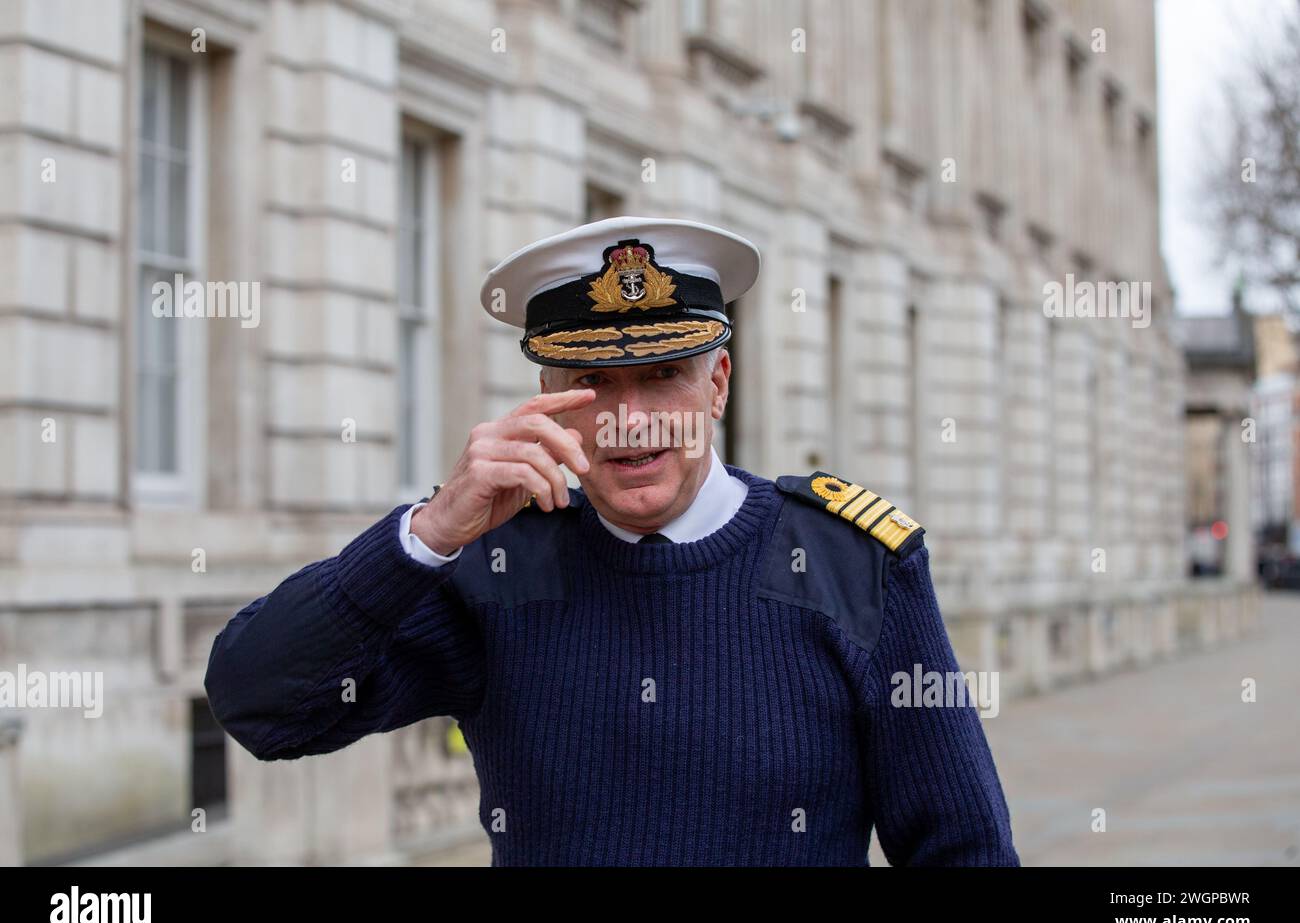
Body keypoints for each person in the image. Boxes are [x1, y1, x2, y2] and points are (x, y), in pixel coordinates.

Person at [205, 216, 1020, 866]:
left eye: (664, 374)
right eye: (593, 384)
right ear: (546, 396)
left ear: (718, 384)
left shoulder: (854, 565)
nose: (631, 421)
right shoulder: (495, 565)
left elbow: (963, 848)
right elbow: (260, 706)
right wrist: (426, 536)